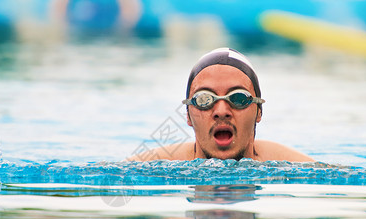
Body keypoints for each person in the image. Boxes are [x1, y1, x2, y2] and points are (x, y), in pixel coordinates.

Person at [128, 48, 314, 162]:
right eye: (204, 99)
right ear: (188, 115)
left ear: (259, 111)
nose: (222, 111)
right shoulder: (150, 165)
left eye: (239, 98)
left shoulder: (293, 165)